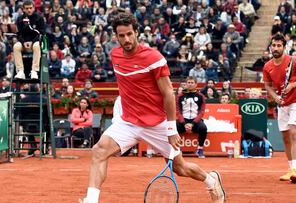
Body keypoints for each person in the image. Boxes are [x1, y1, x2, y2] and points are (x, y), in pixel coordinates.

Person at [80, 13, 225, 203]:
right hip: (129, 121)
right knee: (99, 151)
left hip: (157, 124)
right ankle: (91, 200)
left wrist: (172, 129)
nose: (127, 39)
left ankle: (211, 180)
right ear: (116, 36)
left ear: (137, 33)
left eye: (130, 34)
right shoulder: (115, 55)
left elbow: (168, 93)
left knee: (180, 169)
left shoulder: (154, 58)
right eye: (121, 36)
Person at [263, 34, 296, 184]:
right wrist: (274, 97)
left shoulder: (294, 61)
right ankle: (291, 169)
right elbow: (267, 86)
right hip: (282, 103)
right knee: (285, 138)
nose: (276, 48)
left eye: (279, 46)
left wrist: (292, 85)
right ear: (270, 47)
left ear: (284, 47)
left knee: (294, 132)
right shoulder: (267, 66)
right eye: (274, 45)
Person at [176, 76, 208, 158]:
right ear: (186, 84)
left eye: (192, 83)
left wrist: (193, 123)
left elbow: (201, 112)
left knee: (203, 128)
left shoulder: (201, 96)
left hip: (195, 121)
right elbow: (178, 111)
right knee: (174, 127)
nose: (190, 84)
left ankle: (200, 148)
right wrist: (184, 123)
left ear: (196, 84)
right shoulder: (180, 96)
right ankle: (177, 149)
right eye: (188, 83)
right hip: (183, 120)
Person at [13, 0, 45, 80]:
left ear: (34, 8)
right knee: (16, 46)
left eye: (30, 8)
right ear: (23, 9)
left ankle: (34, 71)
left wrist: (32, 42)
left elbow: (41, 33)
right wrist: (23, 43)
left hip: (35, 42)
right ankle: (20, 71)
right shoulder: (20, 19)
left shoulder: (39, 18)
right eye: (27, 8)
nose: (29, 10)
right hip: (24, 43)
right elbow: (18, 34)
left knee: (37, 45)